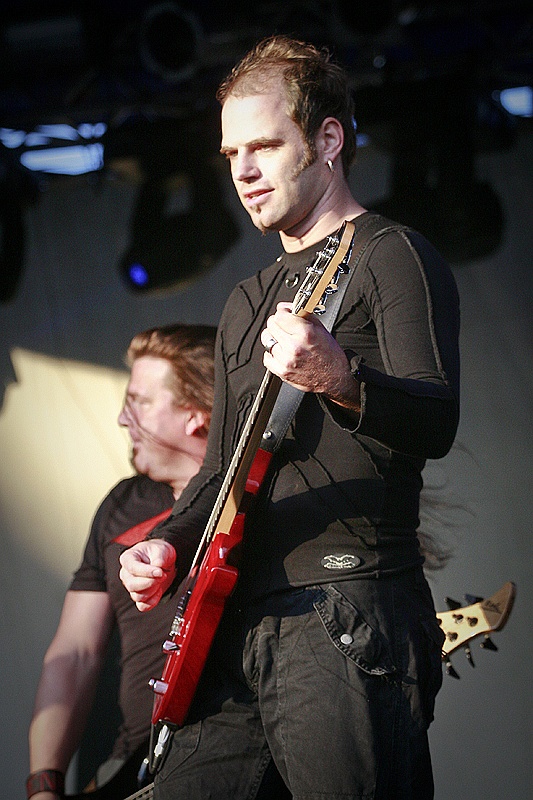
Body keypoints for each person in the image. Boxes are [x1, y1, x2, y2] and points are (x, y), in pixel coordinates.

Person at [119, 35, 461, 800]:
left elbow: (434, 422)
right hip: (234, 623)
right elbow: (220, 470)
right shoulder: (246, 299)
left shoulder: (390, 253)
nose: (241, 170)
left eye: (265, 145)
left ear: (328, 140)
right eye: (230, 151)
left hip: (346, 607)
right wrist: (167, 545)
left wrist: (338, 375)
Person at [27, 324, 216, 800]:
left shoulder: (256, 498)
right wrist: (44, 781)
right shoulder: (121, 506)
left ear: (195, 414)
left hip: (223, 759)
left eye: (140, 402)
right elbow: (75, 652)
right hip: (130, 768)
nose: (121, 419)